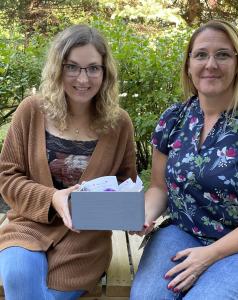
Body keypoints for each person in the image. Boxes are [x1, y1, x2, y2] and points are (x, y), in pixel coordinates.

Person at [130, 19, 238, 300]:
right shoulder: (174, 119)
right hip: (184, 232)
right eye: (201, 55)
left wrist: (210, 255)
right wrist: (145, 216)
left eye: (222, 54)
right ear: (188, 64)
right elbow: (159, 188)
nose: (210, 64)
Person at [0, 24, 137, 300]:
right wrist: (53, 198)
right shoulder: (32, 111)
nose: (82, 79)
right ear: (57, 69)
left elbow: (127, 183)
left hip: (85, 239)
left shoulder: (119, 123)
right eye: (72, 67)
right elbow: (7, 176)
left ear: (105, 72)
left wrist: (131, 213)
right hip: (27, 226)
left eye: (93, 68)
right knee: (18, 278)